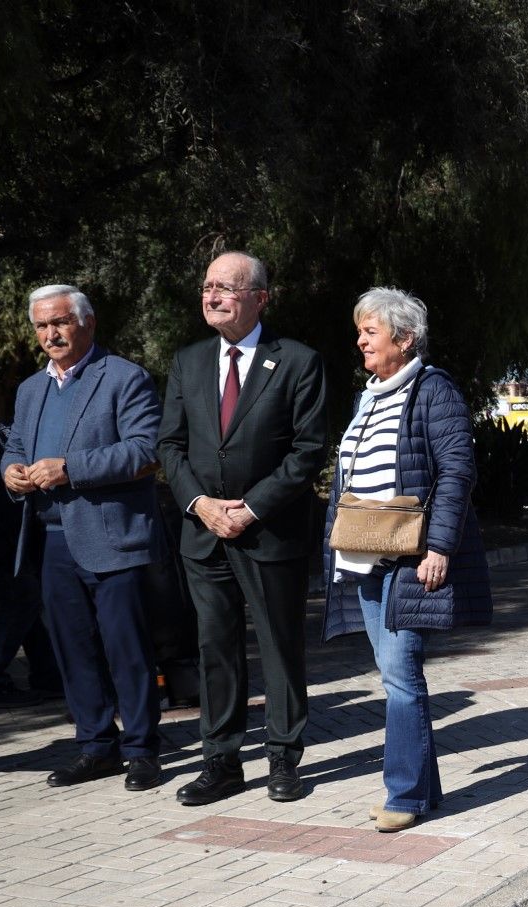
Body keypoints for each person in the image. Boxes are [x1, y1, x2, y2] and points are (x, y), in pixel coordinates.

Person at [157, 252, 329, 806]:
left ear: (260, 297)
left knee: (280, 646)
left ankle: (283, 757)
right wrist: (200, 504)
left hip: (269, 532)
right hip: (203, 532)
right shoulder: (188, 361)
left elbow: (307, 452)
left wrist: (251, 509)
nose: (212, 296)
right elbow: (169, 445)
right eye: (207, 286)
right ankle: (222, 761)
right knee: (215, 649)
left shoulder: (298, 361)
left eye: (226, 287)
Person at [323, 288, 489, 831]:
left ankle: (405, 797)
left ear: (404, 338)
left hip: (408, 553)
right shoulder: (368, 395)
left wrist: (440, 546)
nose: (360, 341)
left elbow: (456, 473)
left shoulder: (432, 390)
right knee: (394, 673)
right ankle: (425, 789)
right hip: (365, 554)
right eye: (361, 331)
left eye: (370, 332)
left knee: (400, 676)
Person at [3, 285, 166, 791]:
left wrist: (70, 469)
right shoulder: (31, 389)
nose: (50, 334)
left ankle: (142, 751)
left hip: (113, 536)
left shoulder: (124, 377)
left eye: (60, 322)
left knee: (126, 650)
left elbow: (145, 451)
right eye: (41, 326)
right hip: (52, 540)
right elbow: (14, 445)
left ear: (87, 323)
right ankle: (96, 746)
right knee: (72, 651)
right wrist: (10, 472)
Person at [0, 416, 64, 707]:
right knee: (23, 598)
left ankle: (46, 674)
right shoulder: (33, 437)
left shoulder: (11, 432)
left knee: (25, 598)